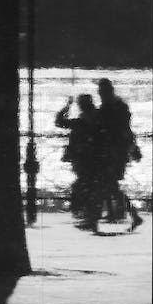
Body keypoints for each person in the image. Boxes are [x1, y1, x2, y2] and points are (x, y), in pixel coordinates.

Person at [96, 77, 143, 231]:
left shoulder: (109, 108)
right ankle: (123, 213)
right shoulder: (119, 106)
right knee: (110, 183)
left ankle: (128, 214)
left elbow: (117, 129)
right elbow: (126, 129)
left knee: (109, 183)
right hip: (117, 150)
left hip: (113, 151)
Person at [55, 93, 100, 228]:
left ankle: (84, 213)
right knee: (89, 186)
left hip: (81, 158)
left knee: (82, 186)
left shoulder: (80, 123)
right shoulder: (97, 119)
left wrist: (67, 107)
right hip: (93, 158)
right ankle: (87, 214)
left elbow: (59, 121)